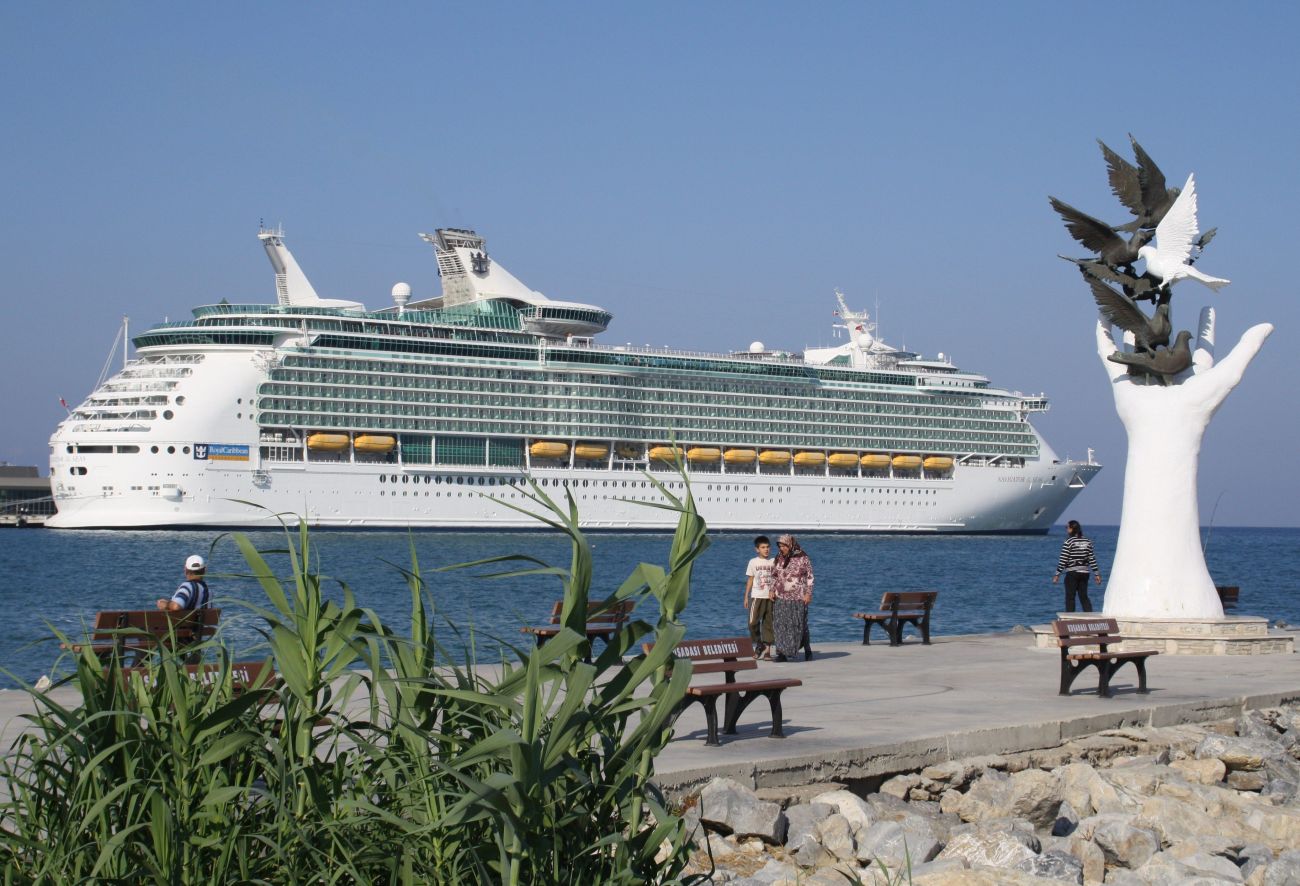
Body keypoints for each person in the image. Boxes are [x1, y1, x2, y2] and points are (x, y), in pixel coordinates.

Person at [771, 535, 814, 662]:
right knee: (780, 625)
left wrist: (808, 593)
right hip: (781, 597)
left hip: (798, 597)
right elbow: (774, 575)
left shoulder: (803, 557)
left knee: (799, 625)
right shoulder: (778, 557)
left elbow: (810, 576)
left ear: (790, 545)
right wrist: (771, 590)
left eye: (784, 546)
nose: (781, 548)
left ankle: (807, 649)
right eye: (780, 546)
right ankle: (782, 653)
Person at [1052, 520, 1102, 612]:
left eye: (1067, 527)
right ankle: (1089, 616)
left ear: (1072, 529)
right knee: (1084, 596)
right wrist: (1097, 574)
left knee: (1070, 597)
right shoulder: (1087, 541)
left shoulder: (1069, 541)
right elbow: (1092, 559)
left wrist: (1057, 574)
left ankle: (1069, 617)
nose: (1066, 529)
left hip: (1072, 573)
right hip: (1085, 573)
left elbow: (1063, 559)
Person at [743, 535, 775, 660]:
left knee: (768, 624)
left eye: (768, 547)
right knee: (752, 623)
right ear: (757, 549)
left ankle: (767, 652)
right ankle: (759, 644)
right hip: (757, 596)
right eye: (763, 547)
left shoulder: (774, 561)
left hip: (771, 597)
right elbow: (750, 579)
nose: (766, 549)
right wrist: (746, 597)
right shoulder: (753, 562)